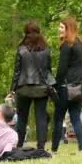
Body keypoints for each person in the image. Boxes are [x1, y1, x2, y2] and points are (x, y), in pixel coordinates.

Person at [10, 21, 54, 150]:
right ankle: (41, 146)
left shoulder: (21, 49)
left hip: (23, 87)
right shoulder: (46, 49)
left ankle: (19, 145)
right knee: (41, 117)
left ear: (26, 33)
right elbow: (48, 71)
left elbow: (17, 71)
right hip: (42, 87)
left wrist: (12, 89)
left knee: (22, 117)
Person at [51, 17, 82, 153]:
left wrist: (55, 84)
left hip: (66, 86)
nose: (59, 30)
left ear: (68, 29)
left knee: (59, 118)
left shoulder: (67, 45)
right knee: (75, 117)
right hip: (80, 85)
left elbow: (62, 69)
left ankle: (54, 148)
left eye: (61, 27)